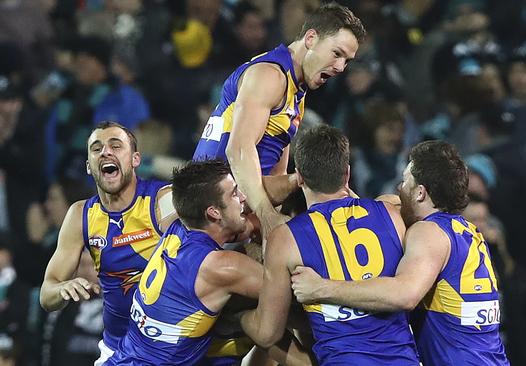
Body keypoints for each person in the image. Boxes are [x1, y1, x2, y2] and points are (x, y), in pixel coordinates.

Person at [290, 140, 510, 365]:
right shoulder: (464, 230)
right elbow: (393, 206)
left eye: (405, 181)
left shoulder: (429, 233)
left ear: (421, 193)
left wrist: (320, 288)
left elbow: (405, 294)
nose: (399, 188)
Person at [239, 125, 420, 365]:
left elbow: (267, 332)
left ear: (299, 177)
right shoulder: (392, 213)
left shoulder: (285, 239)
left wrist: (238, 317)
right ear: (347, 174)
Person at [105, 159, 311, 366]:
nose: (243, 198)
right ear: (213, 212)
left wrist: (296, 181)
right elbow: (299, 294)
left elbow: (251, 219)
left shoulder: (178, 227)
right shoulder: (222, 267)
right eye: (234, 193)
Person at [193, 2, 366, 236]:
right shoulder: (270, 75)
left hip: (241, 206)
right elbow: (239, 150)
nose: (340, 67)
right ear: (311, 38)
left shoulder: (296, 89)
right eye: (337, 54)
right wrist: (267, 217)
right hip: (212, 211)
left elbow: (275, 174)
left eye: (347, 61)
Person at [40, 121, 174, 365]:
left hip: (169, 347)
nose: (105, 152)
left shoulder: (162, 200)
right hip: (117, 348)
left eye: (116, 145)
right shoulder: (80, 215)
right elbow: (46, 295)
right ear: (89, 167)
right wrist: (63, 288)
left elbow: (210, 196)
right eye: (96, 148)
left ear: (135, 159)